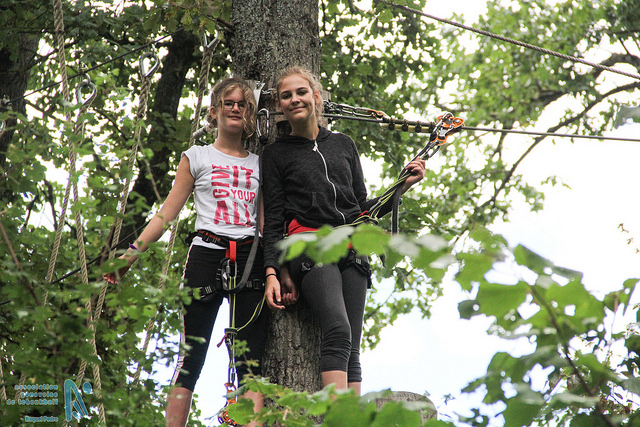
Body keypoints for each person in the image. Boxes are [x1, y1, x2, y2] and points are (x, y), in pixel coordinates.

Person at [104, 77, 267, 427]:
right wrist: (131, 255)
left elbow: (266, 223)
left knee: (250, 363)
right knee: (191, 356)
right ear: (214, 111)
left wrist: (274, 271)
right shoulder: (197, 157)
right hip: (207, 254)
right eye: (228, 103)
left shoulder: (259, 164)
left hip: (250, 258)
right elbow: (166, 213)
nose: (235, 108)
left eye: (242, 104)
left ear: (250, 114)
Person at [261, 66, 426, 395]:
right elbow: (274, 217)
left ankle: (351, 414)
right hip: (311, 246)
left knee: (352, 344)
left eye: (301, 92)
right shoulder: (276, 154)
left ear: (316, 96)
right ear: (279, 105)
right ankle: (337, 413)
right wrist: (273, 272)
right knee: (337, 329)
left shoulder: (343, 144)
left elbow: (362, 208)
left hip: (353, 247)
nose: (295, 99)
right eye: (286, 96)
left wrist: (402, 186)